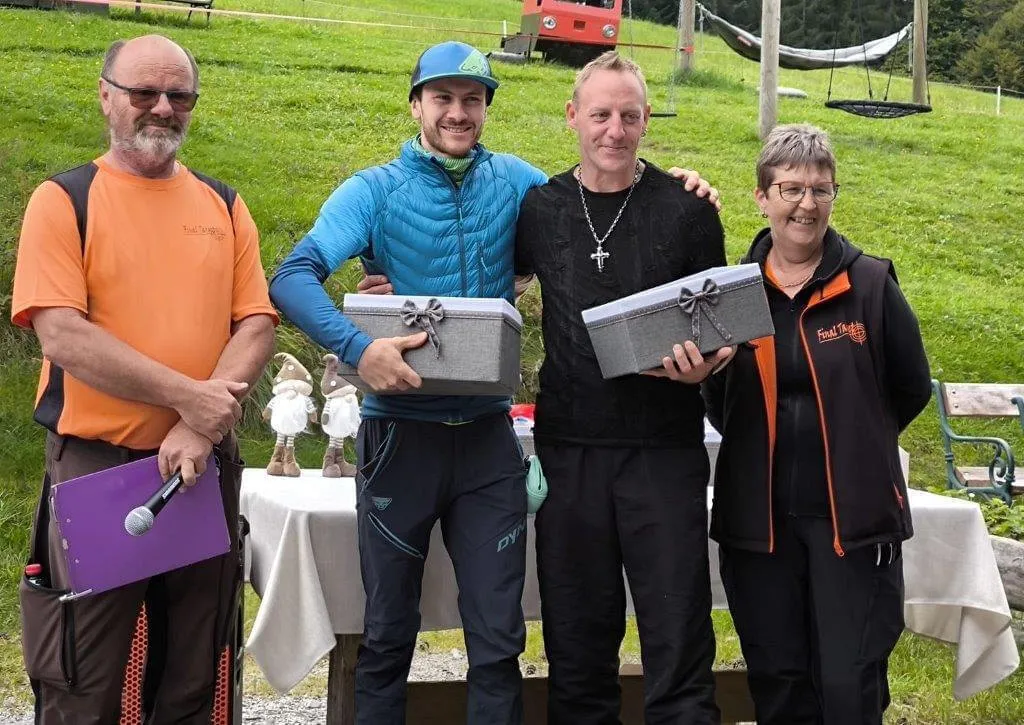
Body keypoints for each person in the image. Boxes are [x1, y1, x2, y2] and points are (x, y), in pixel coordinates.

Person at [271, 41, 716, 725]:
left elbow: (599, 194)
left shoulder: (518, 186)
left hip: (486, 439)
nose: (457, 113)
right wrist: (359, 345)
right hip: (400, 433)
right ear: (416, 104)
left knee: (497, 644)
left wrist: (681, 184)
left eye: (472, 99)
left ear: (486, 108)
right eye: (442, 98)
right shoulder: (373, 190)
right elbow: (292, 277)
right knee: (386, 636)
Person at [11, 35, 278, 724]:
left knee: (195, 673)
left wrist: (198, 426)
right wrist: (189, 399)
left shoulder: (223, 204)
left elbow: (256, 324)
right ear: (106, 96)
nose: (162, 107)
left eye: (178, 95)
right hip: (101, 468)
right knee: (85, 679)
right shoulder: (64, 200)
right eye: (144, 92)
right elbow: (63, 335)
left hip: (201, 468)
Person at [513, 51, 732, 725]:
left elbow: (723, 329)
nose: (615, 130)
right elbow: (496, 284)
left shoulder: (688, 209)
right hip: (570, 450)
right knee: (577, 645)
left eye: (630, 116)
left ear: (647, 120)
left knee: (679, 639)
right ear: (573, 116)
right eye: (601, 114)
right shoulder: (541, 208)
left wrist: (706, 365)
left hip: (663, 452)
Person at [702, 123, 931, 725]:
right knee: (778, 680)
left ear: (833, 195)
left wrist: (859, 445)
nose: (806, 204)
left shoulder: (871, 285)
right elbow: (718, 397)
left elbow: (909, 387)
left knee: (849, 682)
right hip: (759, 525)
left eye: (820, 190)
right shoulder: (731, 294)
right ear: (762, 197)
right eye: (791, 189)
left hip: (851, 524)